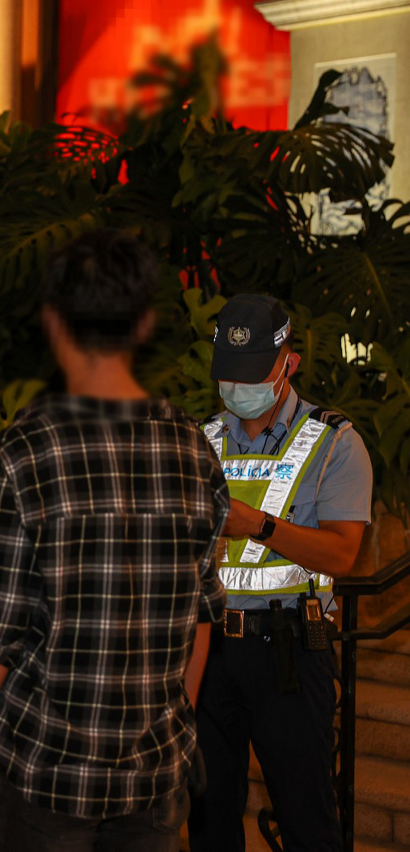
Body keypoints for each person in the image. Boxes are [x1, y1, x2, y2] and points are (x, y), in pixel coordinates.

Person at [0, 229, 229, 850]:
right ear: (144, 323)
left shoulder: (26, 448)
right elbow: (202, 610)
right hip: (154, 773)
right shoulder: (192, 448)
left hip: (47, 769)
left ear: (55, 322)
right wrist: (174, 723)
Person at [187, 294, 372, 852]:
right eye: (229, 374)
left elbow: (342, 555)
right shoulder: (199, 441)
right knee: (207, 818)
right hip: (206, 652)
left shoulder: (335, 442)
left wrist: (258, 525)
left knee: (307, 820)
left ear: (288, 362)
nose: (238, 386)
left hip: (288, 650)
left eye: (252, 373)